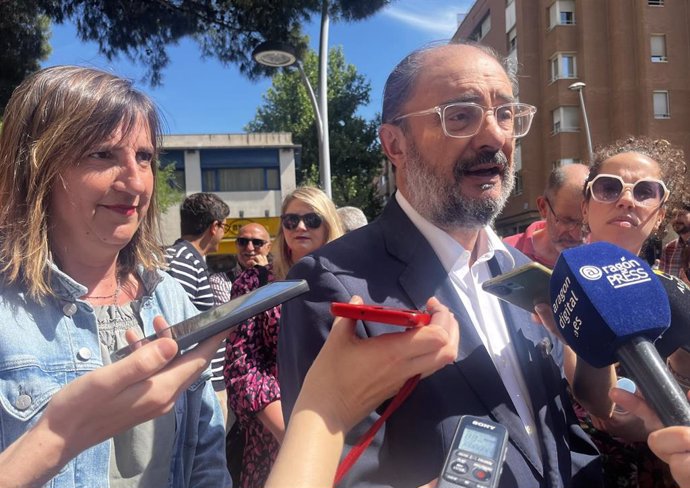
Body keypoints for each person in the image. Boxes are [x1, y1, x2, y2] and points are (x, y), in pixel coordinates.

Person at [278, 41, 602, 487]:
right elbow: (336, 470)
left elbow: (558, 436)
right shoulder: (333, 285)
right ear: (394, 144)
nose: (494, 137)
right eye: (461, 116)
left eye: (505, 114)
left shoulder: (519, 270)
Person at [0, 66, 230, 487]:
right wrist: (54, 439)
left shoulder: (170, 299)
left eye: (144, 157)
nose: (135, 182)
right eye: (103, 154)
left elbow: (206, 459)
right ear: (37, 168)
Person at [549, 136, 686, 487]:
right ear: (585, 207)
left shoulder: (678, 296)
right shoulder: (553, 286)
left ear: (660, 216)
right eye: (609, 188)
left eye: (645, 192)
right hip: (574, 467)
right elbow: (597, 405)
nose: (626, 199)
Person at [224, 186, 343, 488]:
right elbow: (242, 365)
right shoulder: (256, 282)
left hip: (342, 422)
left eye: (312, 219)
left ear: (328, 224)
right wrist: (291, 432)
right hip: (274, 433)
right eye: (291, 221)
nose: (300, 227)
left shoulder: (350, 281)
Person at [165, 191, 230, 420]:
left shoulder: (182, 257)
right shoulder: (184, 261)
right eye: (225, 227)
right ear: (215, 227)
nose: (223, 234)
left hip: (197, 379)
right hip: (196, 385)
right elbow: (178, 324)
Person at [504, 163, 589, 267]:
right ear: (543, 207)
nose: (577, 235)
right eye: (567, 221)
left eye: (586, 224)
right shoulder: (505, 253)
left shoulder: (603, 256)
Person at [209, 222, 272, 304]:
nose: (250, 248)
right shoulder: (220, 281)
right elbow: (230, 315)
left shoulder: (281, 277)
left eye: (257, 242)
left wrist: (265, 274)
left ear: (268, 248)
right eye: (243, 242)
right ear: (236, 245)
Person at [660, 203, 690, 277]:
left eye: (681, 214)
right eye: (673, 216)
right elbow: (664, 280)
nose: (675, 219)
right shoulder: (668, 249)